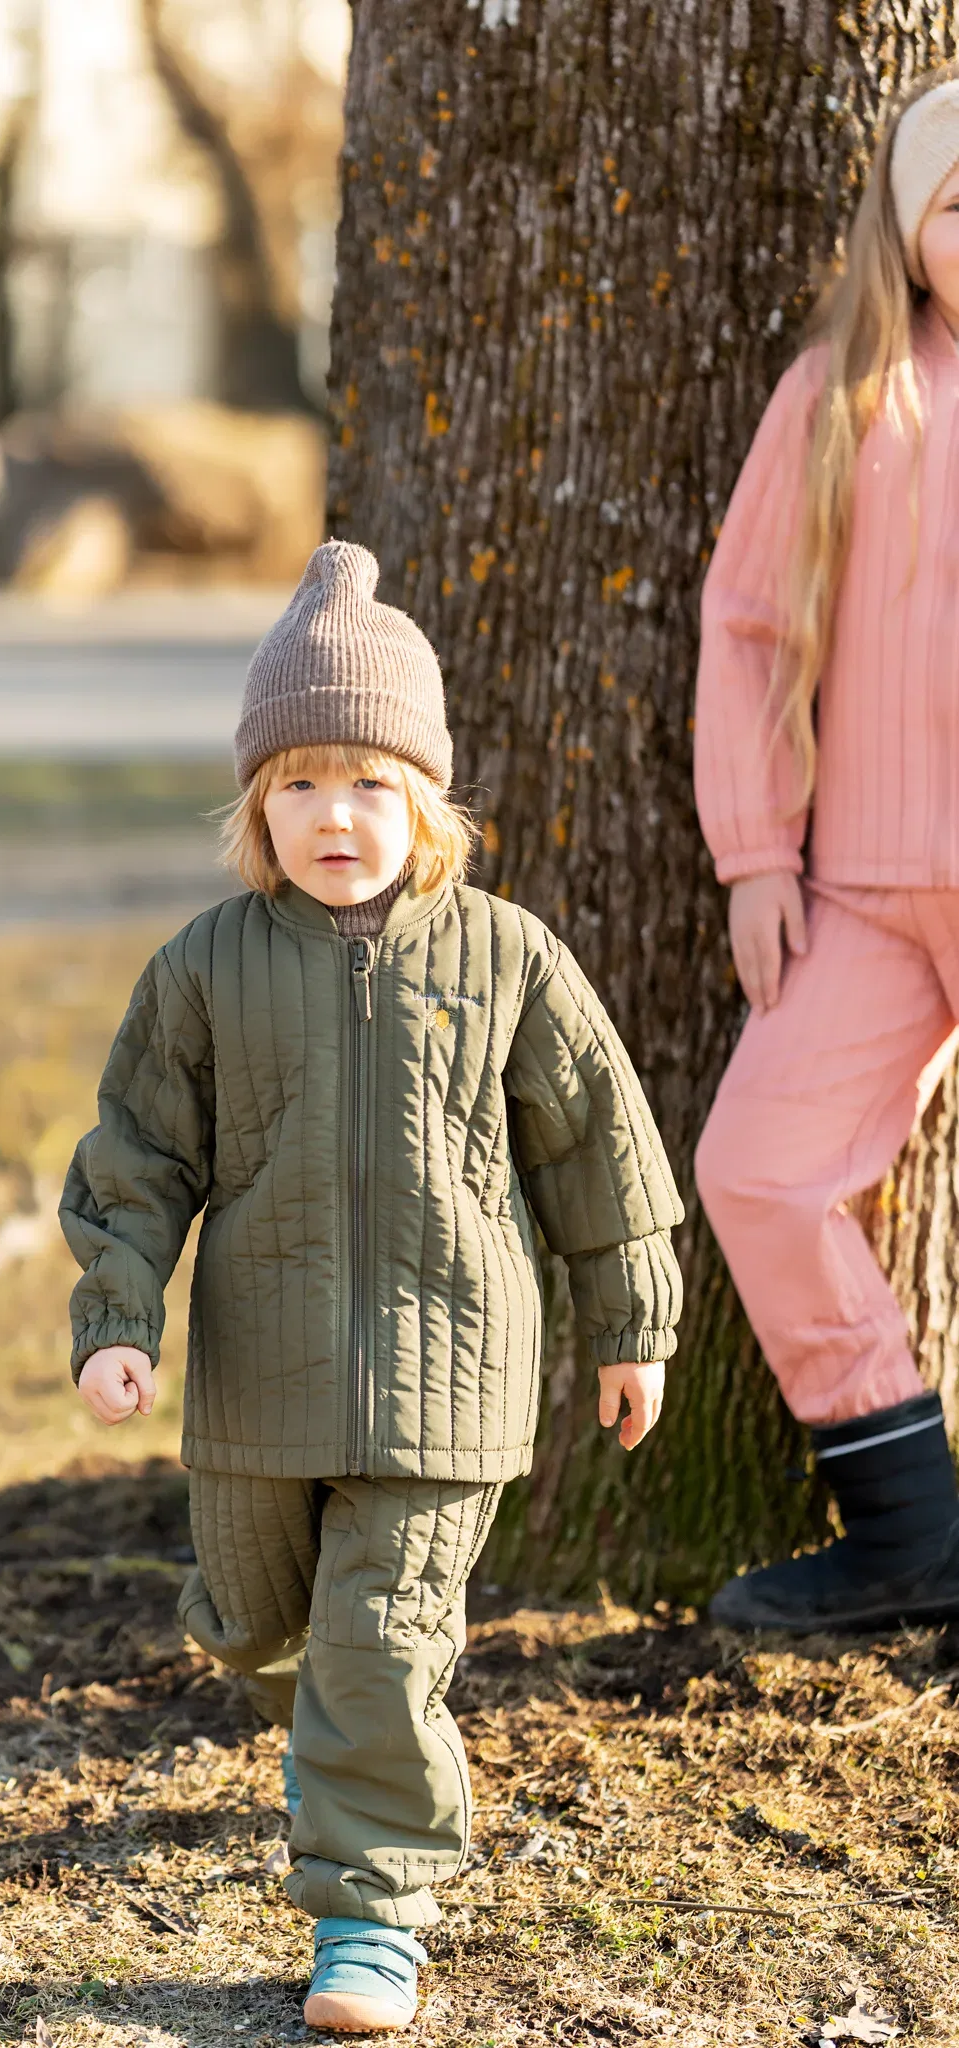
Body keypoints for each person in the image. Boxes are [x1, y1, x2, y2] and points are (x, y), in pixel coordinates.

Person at [60, 540, 683, 2033]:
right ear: (255, 806)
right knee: (250, 1622)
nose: (334, 813)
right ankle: (340, 1744)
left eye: (368, 781)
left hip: (449, 1378)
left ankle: (373, 1914)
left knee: (382, 1645)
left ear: (428, 802)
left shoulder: (509, 958)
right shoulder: (204, 968)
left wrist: (632, 1326)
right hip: (259, 1383)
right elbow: (137, 1158)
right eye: (298, 782)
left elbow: (600, 1150)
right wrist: (117, 1322)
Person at [694, 66, 959, 1632]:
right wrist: (754, 852)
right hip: (857, 888)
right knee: (760, 1169)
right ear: (909, 230)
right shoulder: (845, 395)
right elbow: (750, 631)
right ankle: (910, 1532)